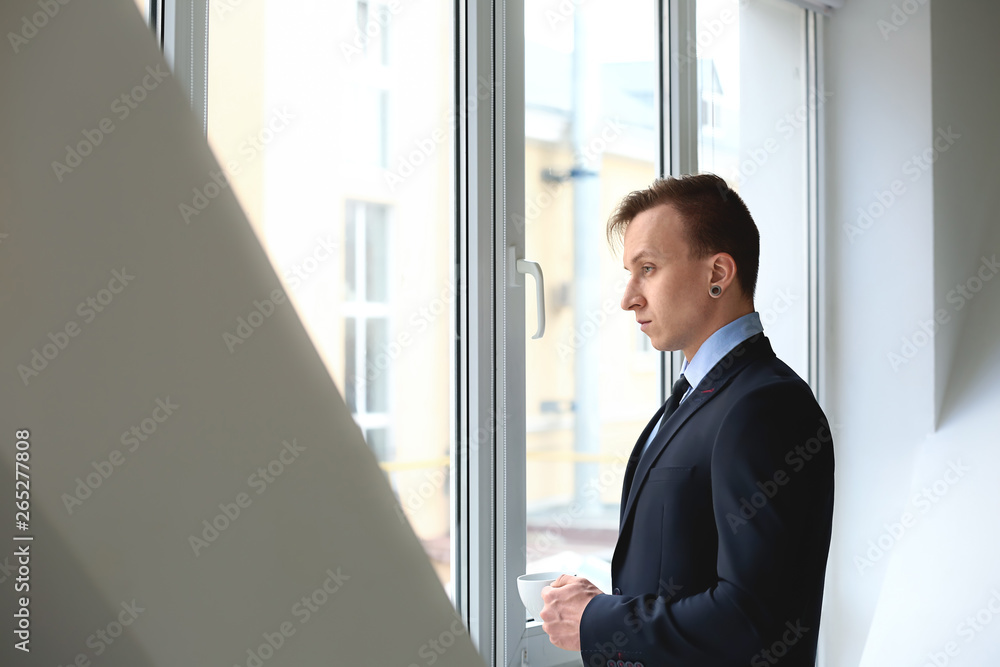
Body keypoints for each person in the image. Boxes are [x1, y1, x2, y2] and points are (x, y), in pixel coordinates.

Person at [538, 174, 835, 667]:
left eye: (648, 269)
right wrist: (603, 605)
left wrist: (598, 620)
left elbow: (753, 621)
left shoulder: (765, 406)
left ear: (718, 272)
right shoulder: (695, 398)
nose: (629, 297)